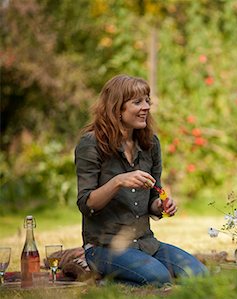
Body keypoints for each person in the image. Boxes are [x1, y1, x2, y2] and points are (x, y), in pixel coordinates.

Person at [75, 74, 208, 286]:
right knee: (158, 276)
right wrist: (118, 181)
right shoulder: (91, 144)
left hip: (146, 243)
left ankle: (116, 281)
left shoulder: (150, 144)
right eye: (137, 102)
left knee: (199, 274)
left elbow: (154, 197)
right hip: (104, 247)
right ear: (117, 108)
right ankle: (102, 282)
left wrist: (161, 205)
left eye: (147, 101)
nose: (146, 106)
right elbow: (86, 204)